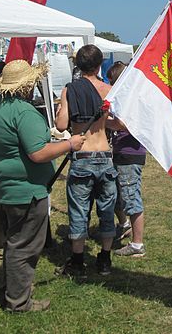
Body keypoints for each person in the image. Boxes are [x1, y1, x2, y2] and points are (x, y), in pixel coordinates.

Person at [0, 59, 85, 313]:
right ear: (27, 85)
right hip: (26, 190)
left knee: (13, 241)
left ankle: (12, 289)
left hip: (3, 187)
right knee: (24, 246)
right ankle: (18, 301)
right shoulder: (24, 112)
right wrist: (70, 144)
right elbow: (38, 153)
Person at [56, 44, 117, 276]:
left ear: (77, 65)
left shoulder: (70, 89)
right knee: (107, 209)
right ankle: (104, 260)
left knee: (79, 210)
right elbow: (119, 123)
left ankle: (78, 261)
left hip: (82, 156)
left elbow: (61, 125)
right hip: (105, 155)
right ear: (99, 65)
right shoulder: (108, 90)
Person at [106, 61, 146, 258]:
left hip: (131, 153)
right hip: (121, 152)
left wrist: (103, 120)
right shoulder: (125, 98)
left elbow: (123, 124)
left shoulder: (131, 99)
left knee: (131, 197)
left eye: (112, 81)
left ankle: (137, 244)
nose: (111, 85)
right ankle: (124, 225)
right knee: (115, 195)